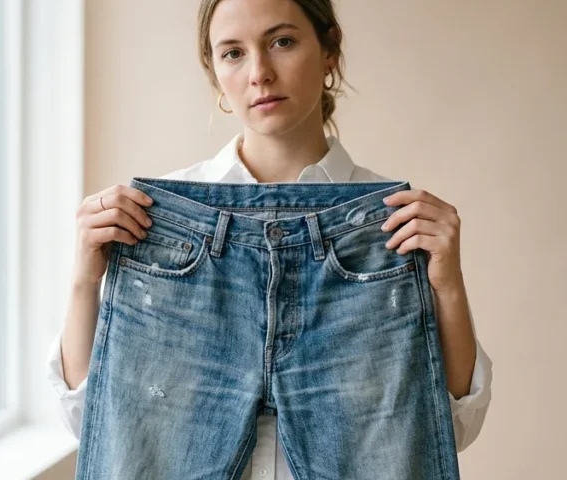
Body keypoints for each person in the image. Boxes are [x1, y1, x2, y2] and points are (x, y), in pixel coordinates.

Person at [48, 0, 492, 477]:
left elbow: (448, 430)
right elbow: (95, 424)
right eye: (233, 53)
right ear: (215, 71)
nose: (259, 73)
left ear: (329, 51)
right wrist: (83, 282)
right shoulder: (158, 220)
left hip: (365, 239)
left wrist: (448, 286)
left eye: (282, 41)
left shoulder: (395, 222)